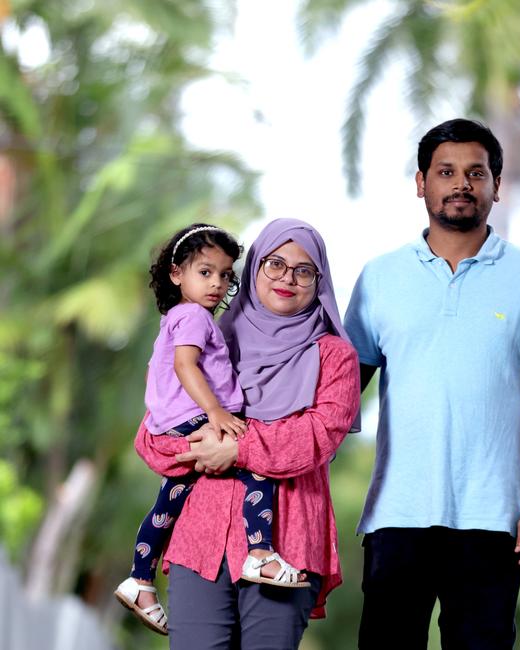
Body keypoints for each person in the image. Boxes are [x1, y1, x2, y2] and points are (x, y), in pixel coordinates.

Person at [344, 118, 520, 649]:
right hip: (397, 514)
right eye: (446, 172)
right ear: (422, 183)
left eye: (476, 173)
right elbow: (341, 392)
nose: (461, 183)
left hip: (494, 520)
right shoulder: (380, 277)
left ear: (496, 186)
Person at [133, 218, 360, 649]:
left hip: (285, 540)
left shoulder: (336, 356)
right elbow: (152, 439)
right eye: (274, 264)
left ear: (320, 280)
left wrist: (235, 448)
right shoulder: (208, 339)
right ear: (254, 269)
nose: (287, 278)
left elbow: (316, 437)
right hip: (199, 538)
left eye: (304, 270)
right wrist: (197, 446)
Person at [115, 224, 311, 637]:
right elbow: (186, 366)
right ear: (176, 273)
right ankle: (260, 550)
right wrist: (216, 413)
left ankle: (140, 578)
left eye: (224, 275)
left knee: (171, 498)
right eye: (205, 272)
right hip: (194, 417)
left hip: (173, 419)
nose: (217, 284)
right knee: (257, 465)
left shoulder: (183, 317)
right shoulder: (193, 318)